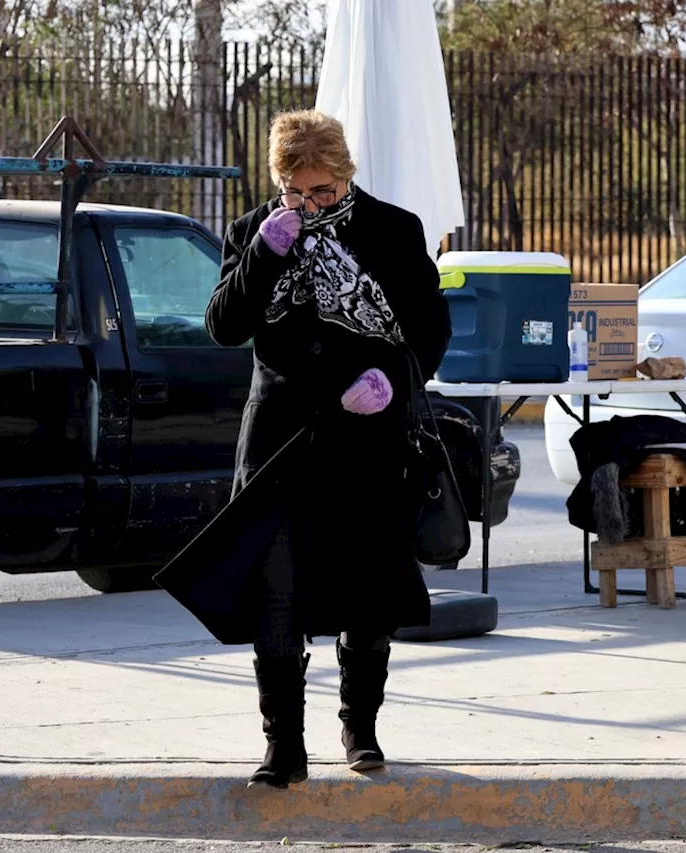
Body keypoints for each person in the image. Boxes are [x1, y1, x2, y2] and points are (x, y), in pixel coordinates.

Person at [205, 109, 451, 789]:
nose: (309, 204)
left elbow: (429, 329)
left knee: (366, 592)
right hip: (280, 441)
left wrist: (393, 382)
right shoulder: (253, 230)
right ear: (278, 181)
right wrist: (264, 250)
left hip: (368, 436)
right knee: (276, 595)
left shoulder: (394, 232)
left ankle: (359, 727)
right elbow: (224, 325)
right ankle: (283, 745)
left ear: (347, 176)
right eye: (295, 191)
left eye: (322, 191)